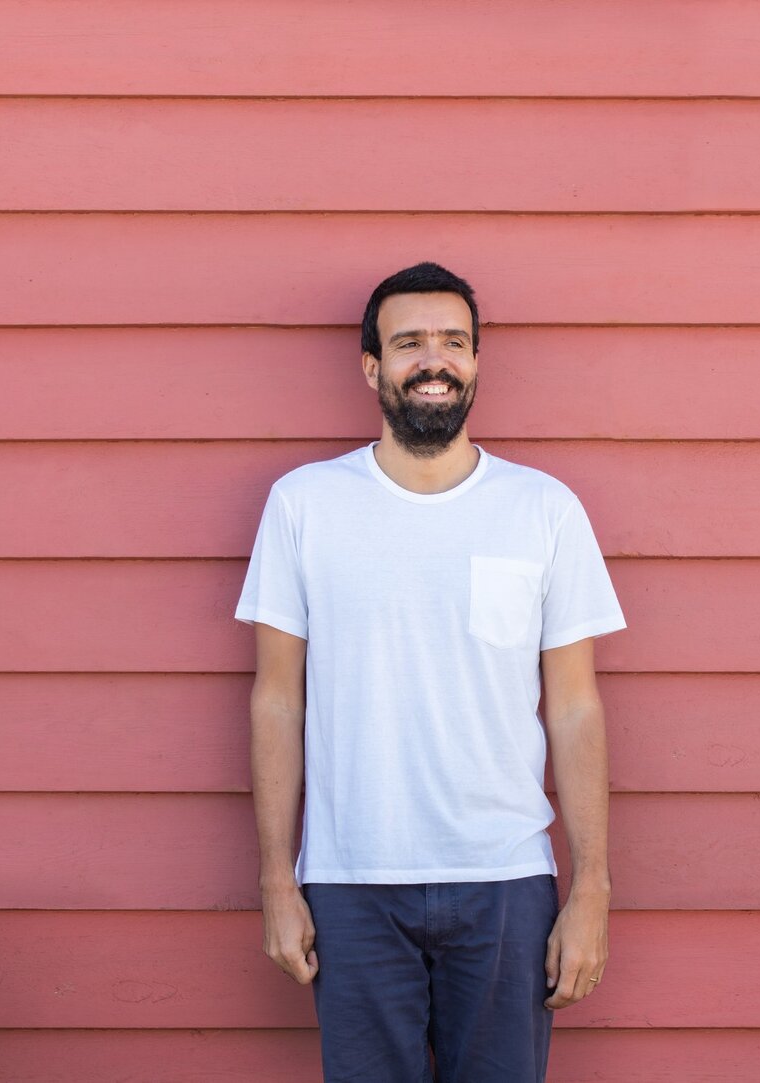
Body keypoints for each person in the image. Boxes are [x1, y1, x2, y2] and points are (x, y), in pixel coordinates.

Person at [235, 262, 626, 1082]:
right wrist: (278, 878)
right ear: (373, 366)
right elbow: (276, 700)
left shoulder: (542, 509)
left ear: (477, 362)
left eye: (453, 341)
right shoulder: (304, 504)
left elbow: (576, 709)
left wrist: (590, 888)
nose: (434, 359)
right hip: (351, 878)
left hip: (507, 878)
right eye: (409, 342)